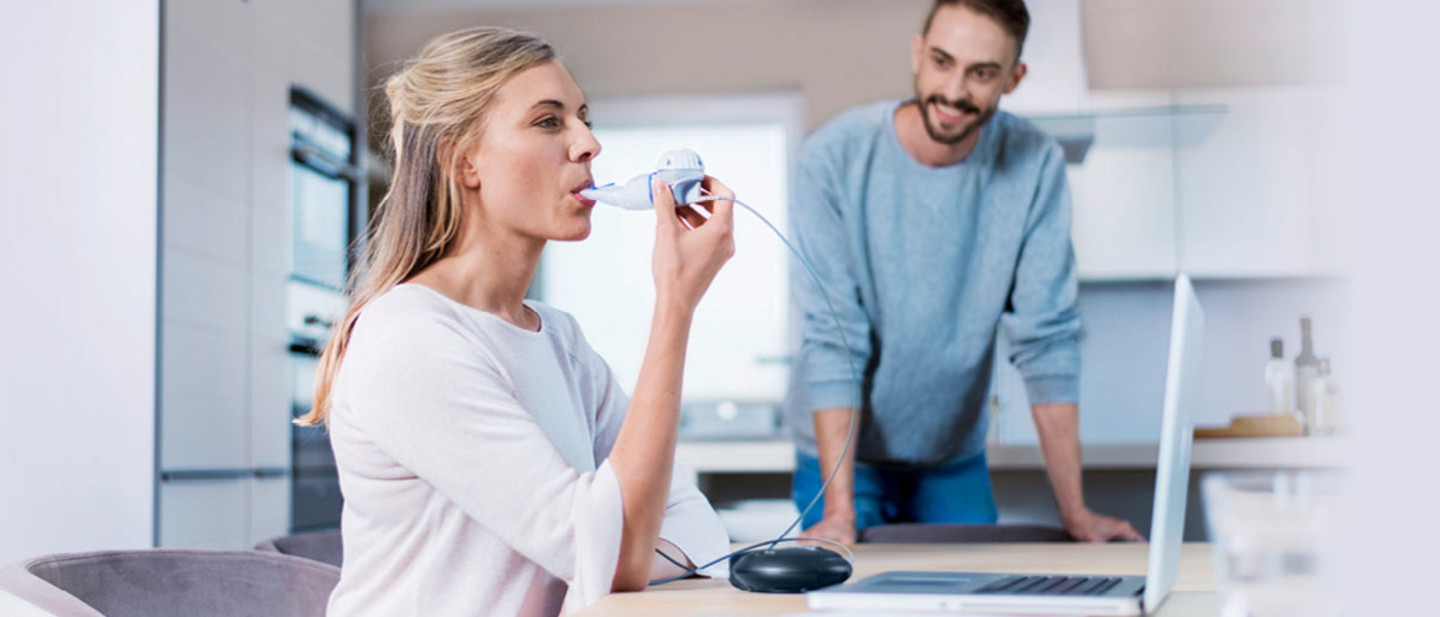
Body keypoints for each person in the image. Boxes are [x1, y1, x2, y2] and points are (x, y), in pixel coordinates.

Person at [295, 27, 737, 617]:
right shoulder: (409, 340)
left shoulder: (559, 342)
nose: (588, 144)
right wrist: (675, 304)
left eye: (583, 117)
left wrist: (607, 556)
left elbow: (697, 530)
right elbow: (617, 554)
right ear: (464, 160)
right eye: (549, 122)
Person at [787, 0, 1142, 546]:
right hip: (841, 461)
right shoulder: (831, 159)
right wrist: (839, 515)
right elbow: (834, 339)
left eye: (981, 73)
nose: (954, 91)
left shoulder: (1035, 165)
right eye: (942, 61)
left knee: (976, 598)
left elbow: (1047, 339)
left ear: (1013, 78)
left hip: (952, 456)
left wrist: (1077, 513)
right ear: (916, 53)